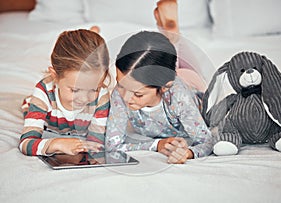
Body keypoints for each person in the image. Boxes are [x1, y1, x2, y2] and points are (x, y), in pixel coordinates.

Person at [105, 31, 213, 164]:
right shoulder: (120, 93)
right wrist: (157, 145)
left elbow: (207, 141)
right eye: (120, 85)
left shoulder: (178, 97)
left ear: (164, 87)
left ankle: (175, 36)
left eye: (138, 94)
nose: (126, 98)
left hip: (192, 87)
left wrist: (188, 153)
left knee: (199, 80)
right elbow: (112, 145)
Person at [19, 29, 111, 156]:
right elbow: (26, 144)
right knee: (29, 106)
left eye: (93, 89)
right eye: (75, 90)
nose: (84, 99)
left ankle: (93, 31)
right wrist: (55, 144)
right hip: (46, 112)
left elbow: (97, 142)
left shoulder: (102, 96)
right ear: (55, 76)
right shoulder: (43, 92)